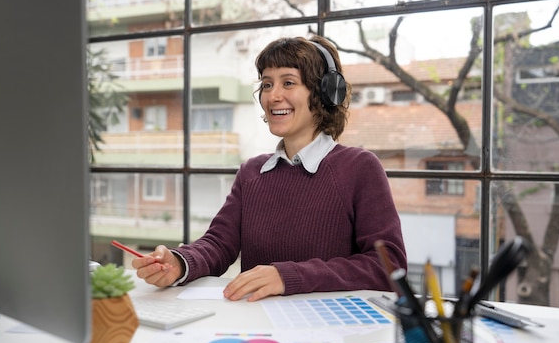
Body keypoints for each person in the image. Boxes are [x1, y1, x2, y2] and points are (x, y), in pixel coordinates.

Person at [132, 35, 407, 302]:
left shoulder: (360, 168)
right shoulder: (252, 172)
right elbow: (219, 244)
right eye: (266, 84)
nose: (273, 96)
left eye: (288, 82)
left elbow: (387, 266)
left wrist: (288, 276)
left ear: (324, 92)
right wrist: (179, 263)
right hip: (257, 323)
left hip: (330, 333)